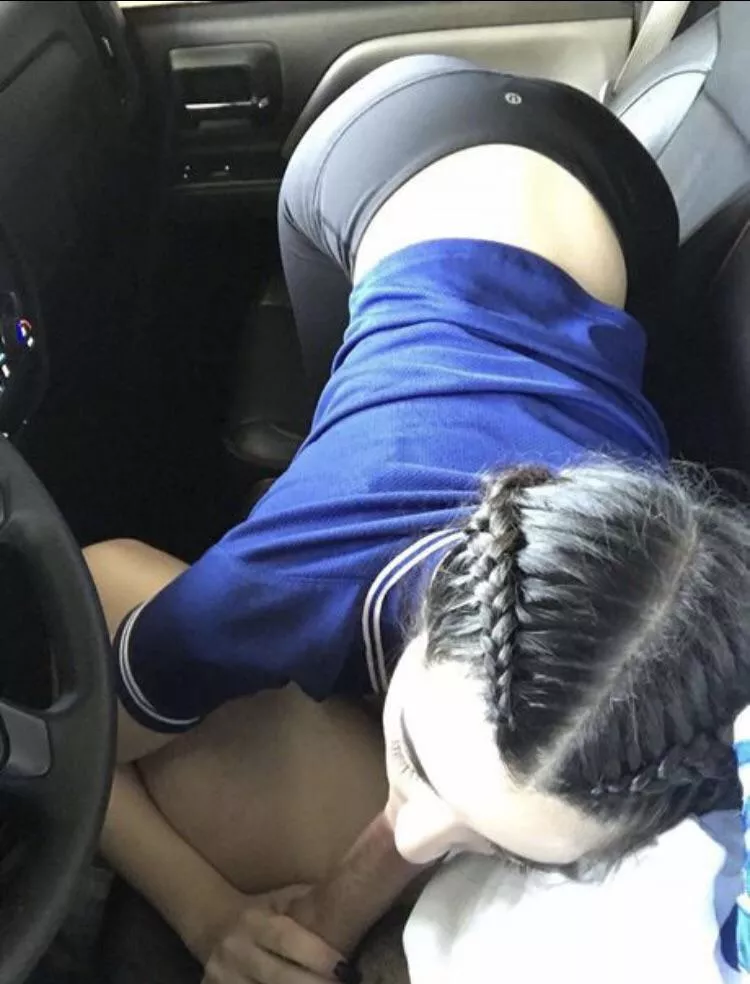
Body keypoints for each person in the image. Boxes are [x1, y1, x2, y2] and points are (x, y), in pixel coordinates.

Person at [87, 55, 750, 984]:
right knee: (331, 400)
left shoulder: (713, 666)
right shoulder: (300, 578)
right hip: (383, 155)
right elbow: (69, 683)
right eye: (416, 760)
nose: (411, 837)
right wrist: (206, 914)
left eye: (505, 848)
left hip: (613, 196)